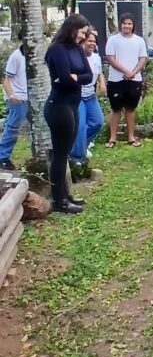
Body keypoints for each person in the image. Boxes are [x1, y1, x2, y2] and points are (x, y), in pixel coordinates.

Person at [44, 13, 92, 214]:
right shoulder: (57, 49)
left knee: (65, 153)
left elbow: (89, 76)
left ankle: (66, 195)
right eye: (82, 32)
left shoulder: (77, 49)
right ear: (72, 29)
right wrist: (71, 77)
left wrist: (75, 77)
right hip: (59, 107)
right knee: (60, 154)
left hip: (72, 105)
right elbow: (64, 78)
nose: (84, 36)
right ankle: (59, 201)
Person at [105, 15, 147, 148]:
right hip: (116, 79)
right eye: (124, 23)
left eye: (129, 23)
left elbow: (143, 58)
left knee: (130, 108)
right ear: (120, 25)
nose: (127, 26)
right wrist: (125, 71)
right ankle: (113, 138)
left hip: (135, 80)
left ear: (133, 25)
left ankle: (131, 137)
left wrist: (133, 72)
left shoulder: (139, 41)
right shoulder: (113, 40)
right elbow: (110, 58)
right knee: (116, 108)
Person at [70, 29, 106, 163]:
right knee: (80, 126)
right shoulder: (75, 57)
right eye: (89, 41)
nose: (92, 44)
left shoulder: (96, 57)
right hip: (77, 96)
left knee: (98, 122)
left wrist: (102, 82)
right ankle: (77, 158)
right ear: (82, 42)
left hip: (90, 95)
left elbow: (99, 72)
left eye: (94, 42)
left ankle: (79, 147)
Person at [0, 38, 28, 170]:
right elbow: (6, 79)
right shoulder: (16, 56)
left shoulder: (35, 56)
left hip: (30, 97)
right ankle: (3, 158)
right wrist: (12, 96)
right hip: (18, 97)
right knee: (13, 127)